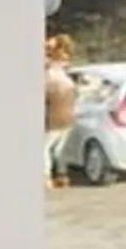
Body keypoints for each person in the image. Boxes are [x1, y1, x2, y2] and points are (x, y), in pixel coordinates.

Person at [45, 33, 81, 187]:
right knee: (60, 149)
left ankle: (46, 177)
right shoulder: (67, 70)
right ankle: (62, 175)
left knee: (44, 148)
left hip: (54, 118)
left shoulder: (51, 72)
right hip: (69, 117)